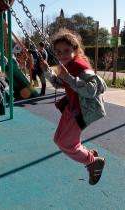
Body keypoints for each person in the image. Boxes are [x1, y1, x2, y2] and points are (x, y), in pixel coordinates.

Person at [40, 29, 107, 185]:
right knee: (58, 139)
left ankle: (92, 161)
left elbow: (93, 90)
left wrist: (69, 78)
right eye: (58, 51)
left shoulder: (79, 65)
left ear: (75, 50)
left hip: (83, 110)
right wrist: (48, 72)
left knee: (66, 143)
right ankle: (88, 155)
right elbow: (59, 83)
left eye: (66, 51)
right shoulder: (67, 64)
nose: (61, 55)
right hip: (72, 108)